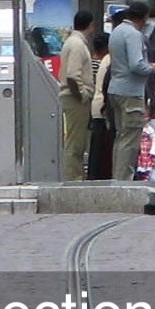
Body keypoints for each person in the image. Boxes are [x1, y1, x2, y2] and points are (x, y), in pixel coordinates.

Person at [107, 0, 154, 180]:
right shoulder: (134, 35)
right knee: (131, 139)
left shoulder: (116, 32)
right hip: (131, 92)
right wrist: (152, 68)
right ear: (144, 18)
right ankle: (124, 179)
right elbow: (137, 64)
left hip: (115, 89)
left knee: (121, 136)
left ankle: (117, 177)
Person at [59, 10, 96, 181]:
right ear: (90, 24)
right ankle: (73, 178)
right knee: (76, 143)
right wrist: (82, 95)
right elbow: (73, 76)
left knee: (76, 141)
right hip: (75, 99)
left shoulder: (71, 42)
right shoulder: (77, 45)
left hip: (71, 97)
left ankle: (74, 176)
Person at [86, 31, 114, 181]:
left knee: (96, 146)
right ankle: (100, 177)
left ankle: (92, 176)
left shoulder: (96, 62)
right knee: (103, 147)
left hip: (95, 104)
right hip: (104, 106)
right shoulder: (110, 60)